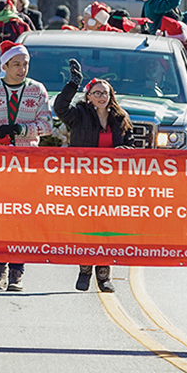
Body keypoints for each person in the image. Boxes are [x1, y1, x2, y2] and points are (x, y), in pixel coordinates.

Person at [0, 44, 54, 290]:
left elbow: (47, 125)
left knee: (22, 216)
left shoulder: (37, 90)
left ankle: (17, 271)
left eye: (25, 64)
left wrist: (21, 130)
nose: (21, 69)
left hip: (27, 163)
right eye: (16, 64)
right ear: (4, 66)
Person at [55, 61, 135, 292]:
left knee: (108, 228)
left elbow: (131, 146)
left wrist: (123, 152)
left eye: (105, 93)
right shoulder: (78, 115)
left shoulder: (120, 118)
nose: (101, 97)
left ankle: (104, 274)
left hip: (111, 185)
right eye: (96, 93)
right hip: (85, 182)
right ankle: (84, 270)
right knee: (86, 227)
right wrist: (73, 84)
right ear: (88, 96)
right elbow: (60, 108)